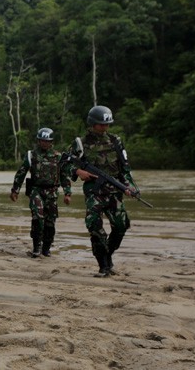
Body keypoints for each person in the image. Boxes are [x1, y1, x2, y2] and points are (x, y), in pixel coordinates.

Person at [68, 105, 141, 278]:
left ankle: (107, 254)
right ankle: (103, 265)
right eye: (101, 124)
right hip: (94, 192)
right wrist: (78, 172)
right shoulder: (80, 143)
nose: (105, 127)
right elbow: (65, 163)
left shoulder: (116, 141)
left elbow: (125, 169)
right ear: (92, 124)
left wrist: (130, 187)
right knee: (94, 226)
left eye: (107, 124)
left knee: (122, 225)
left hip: (115, 191)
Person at [10, 127, 72, 258]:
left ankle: (46, 248)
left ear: (51, 142)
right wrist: (15, 190)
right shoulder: (31, 155)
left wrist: (67, 193)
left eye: (47, 141)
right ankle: (36, 247)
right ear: (39, 141)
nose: (45, 143)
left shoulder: (58, 157)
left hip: (52, 192)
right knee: (38, 218)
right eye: (42, 141)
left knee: (50, 221)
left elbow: (64, 175)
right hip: (36, 190)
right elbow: (21, 173)